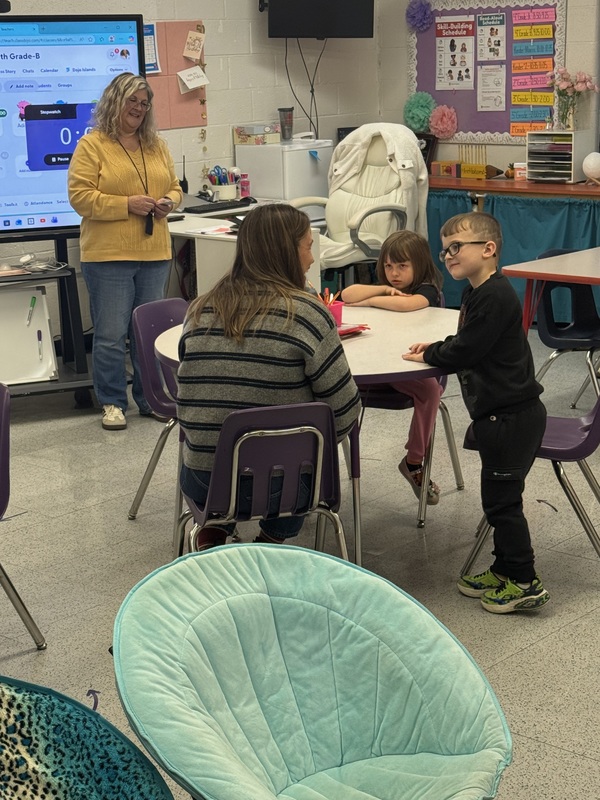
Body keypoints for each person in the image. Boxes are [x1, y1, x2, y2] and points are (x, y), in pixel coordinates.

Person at [177, 204, 362, 550]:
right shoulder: (307, 314)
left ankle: (213, 532)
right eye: (308, 247)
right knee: (303, 453)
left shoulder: (199, 309)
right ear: (287, 252)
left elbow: (191, 398)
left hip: (204, 479)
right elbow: (345, 409)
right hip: (283, 487)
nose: (311, 259)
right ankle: (270, 542)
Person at [403, 212, 549, 614]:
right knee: (497, 500)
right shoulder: (477, 292)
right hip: (500, 416)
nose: (448, 255)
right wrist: (438, 345)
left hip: (511, 418)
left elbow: (466, 350)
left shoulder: (494, 295)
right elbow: (470, 338)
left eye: (456, 246)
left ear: (488, 249)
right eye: (444, 249)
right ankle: (504, 569)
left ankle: (524, 581)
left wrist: (435, 352)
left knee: (503, 504)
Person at [68, 72, 182, 430]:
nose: (138, 108)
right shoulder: (92, 145)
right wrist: (126, 204)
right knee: (110, 335)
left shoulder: (156, 145)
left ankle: (151, 399)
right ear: (114, 101)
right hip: (109, 256)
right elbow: (80, 198)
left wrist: (168, 202)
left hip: (154, 253)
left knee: (150, 333)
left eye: (144, 103)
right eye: (132, 100)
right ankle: (112, 403)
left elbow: (175, 187)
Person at [341, 230, 444, 505]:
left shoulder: (427, 290)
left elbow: (409, 304)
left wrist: (370, 301)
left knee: (430, 391)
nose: (394, 273)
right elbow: (347, 294)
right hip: (371, 364)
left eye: (402, 266)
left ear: (419, 264)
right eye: (388, 266)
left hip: (405, 364)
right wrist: (383, 289)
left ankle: (414, 461)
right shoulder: (387, 287)